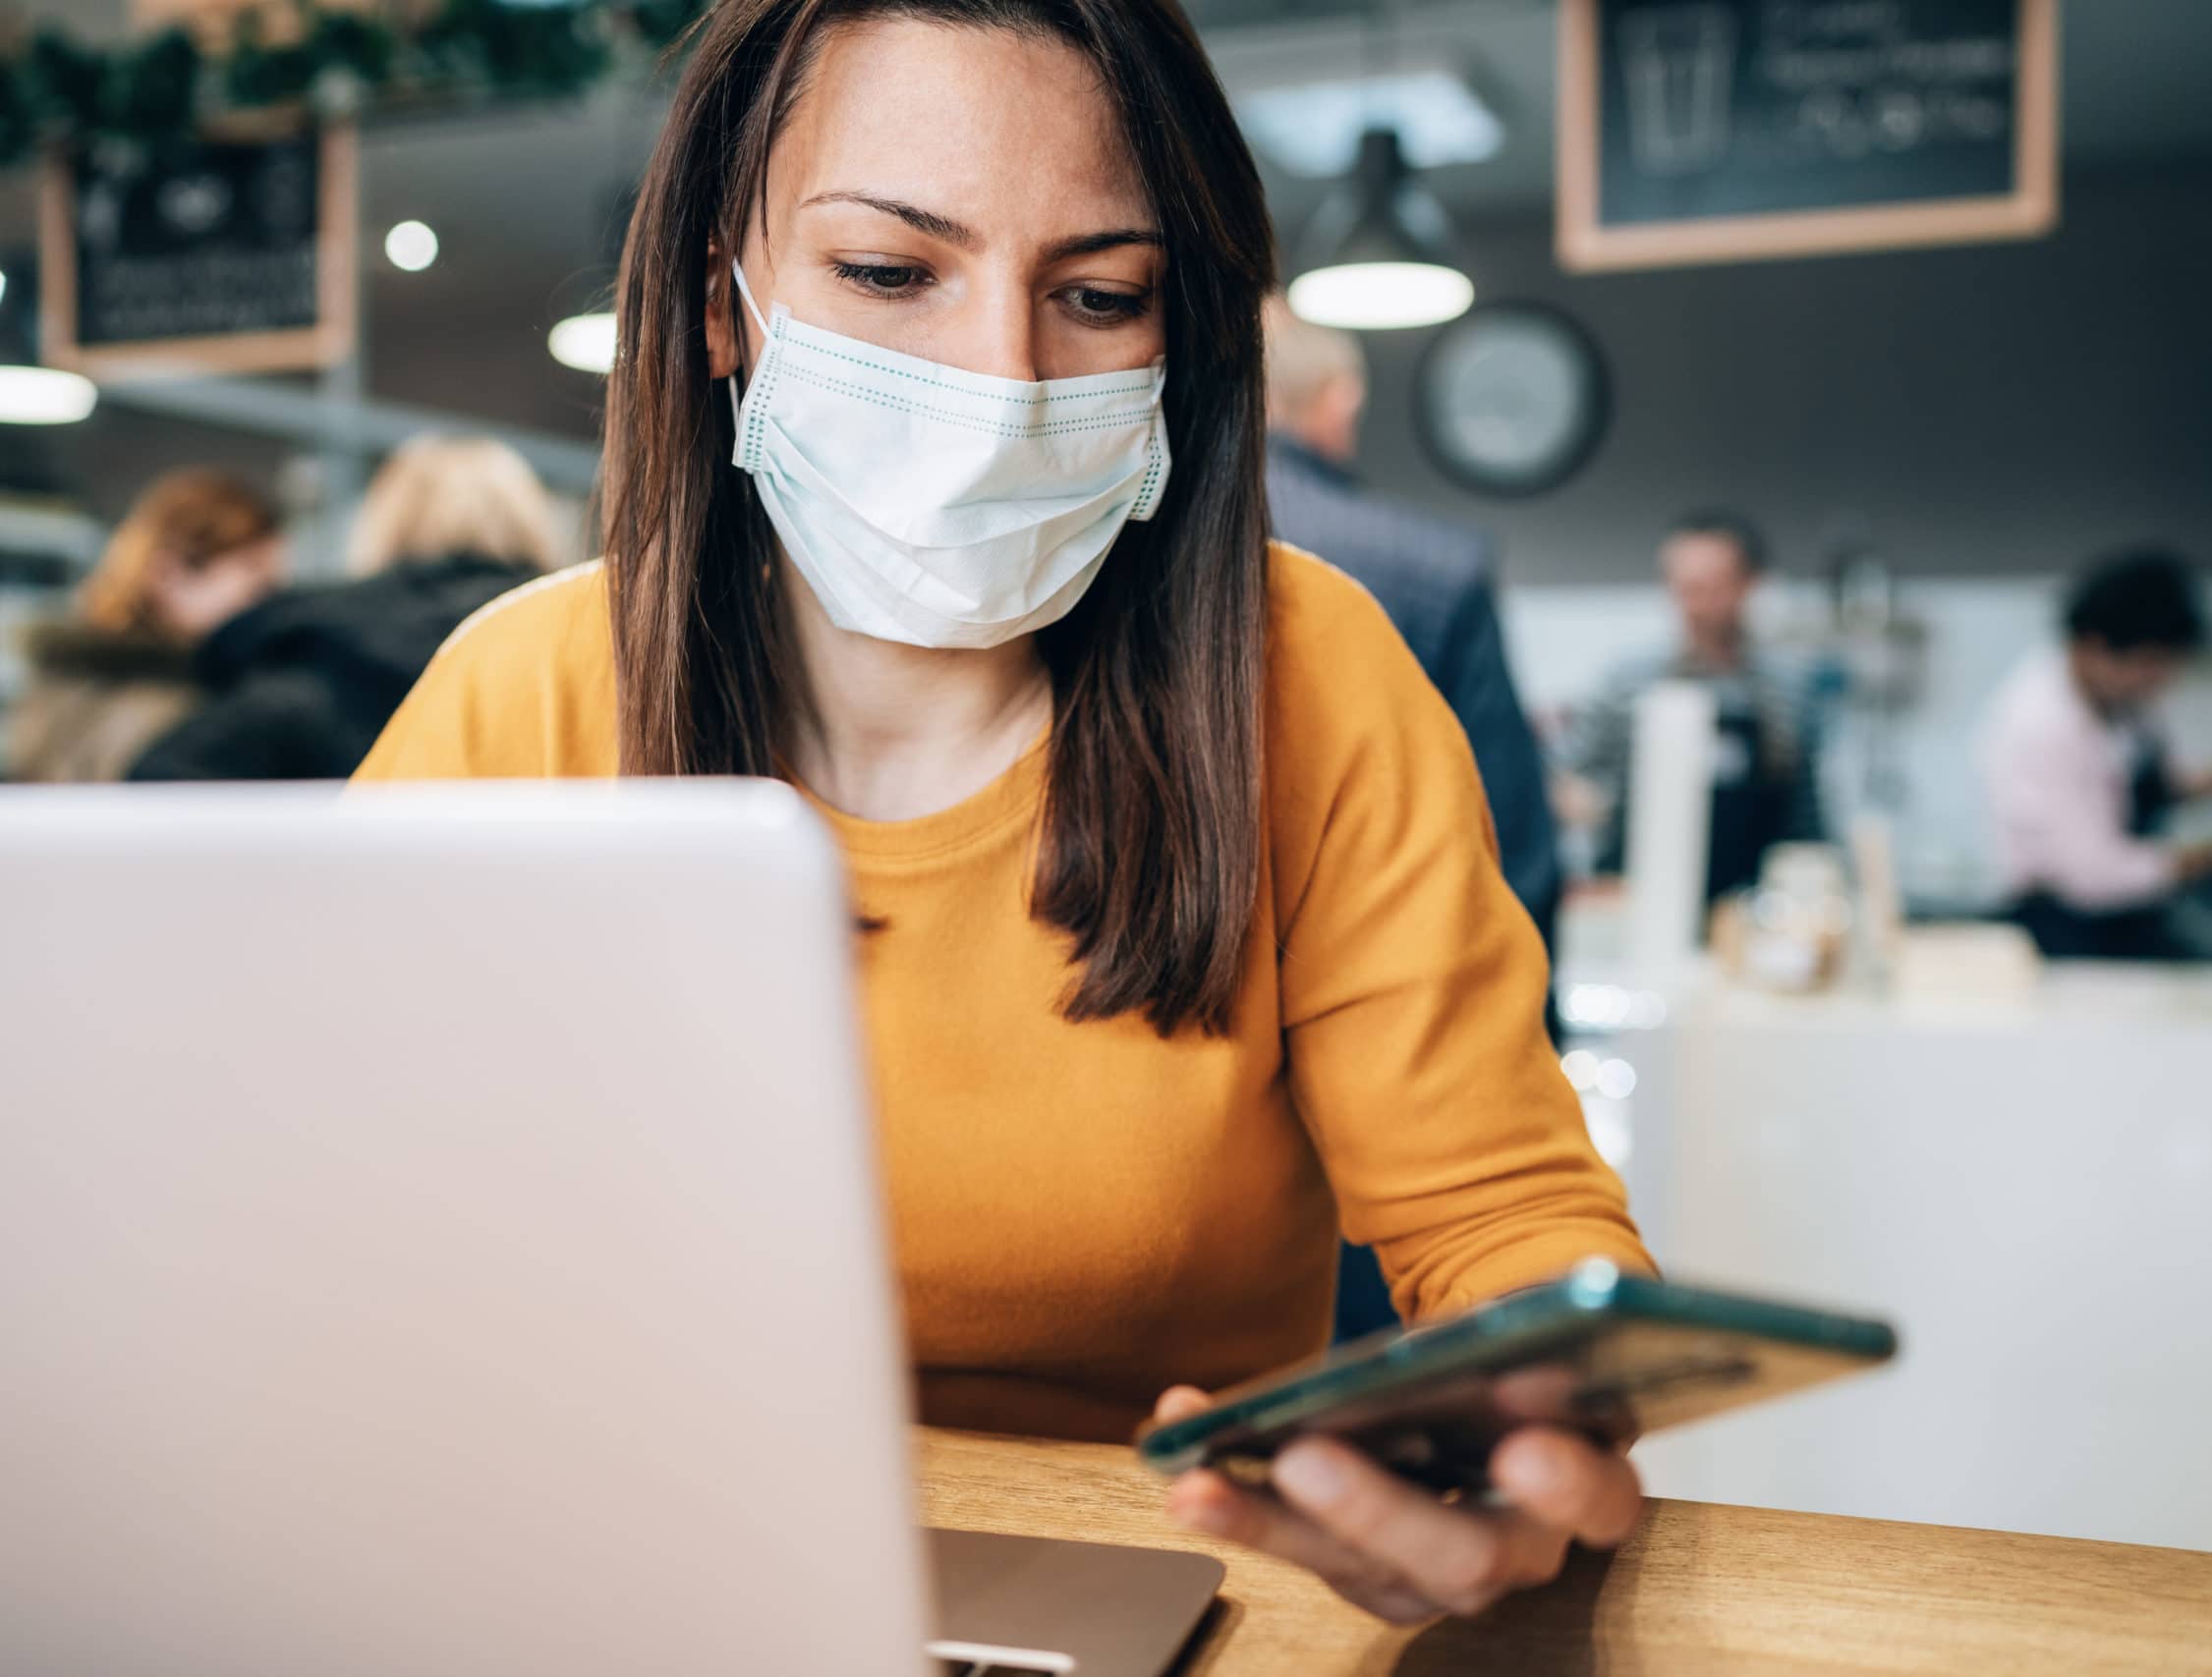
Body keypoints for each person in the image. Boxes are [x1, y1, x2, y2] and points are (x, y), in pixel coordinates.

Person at [357, 0, 1648, 1624]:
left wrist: (1532, 1427)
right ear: (721, 306)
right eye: (892, 273)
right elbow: (300, 1224)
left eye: (1101, 296)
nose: (1001, 380)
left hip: (1176, 1592)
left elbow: (1502, 1217)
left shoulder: (1310, 685)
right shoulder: (517, 699)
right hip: (615, 1577)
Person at [1262, 297, 1560, 957]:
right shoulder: (1438, 563)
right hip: (1386, 967)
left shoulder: (1119, 551)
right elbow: (1507, 832)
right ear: (1340, 402)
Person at [131, 436, 567, 782]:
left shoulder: (323, 658)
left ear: (384, 524)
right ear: (533, 523)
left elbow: (162, 780)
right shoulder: (575, 648)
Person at [1979, 548, 2212, 960]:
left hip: (2129, 919)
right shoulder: (2042, 723)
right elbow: (2094, 875)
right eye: (2151, 664)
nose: (2161, 681)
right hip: (2067, 934)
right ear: (2094, 645)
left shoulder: (2123, 712)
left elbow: (2171, 788)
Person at [1556, 510, 1822, 901]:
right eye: (1683, 588)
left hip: (1752, 908)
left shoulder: (1787, 692)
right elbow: (1566, 781)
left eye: (1710, 588)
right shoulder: (1626, 685)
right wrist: (1605, 805)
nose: (1694, 605)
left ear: (1750, 585)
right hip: (1641, 901)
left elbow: (1806, 818)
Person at [4, 471, 286, 782]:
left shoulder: (61, 681)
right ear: (169, 574)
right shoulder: (174, 709)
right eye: (258, 590)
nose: (269, 611)